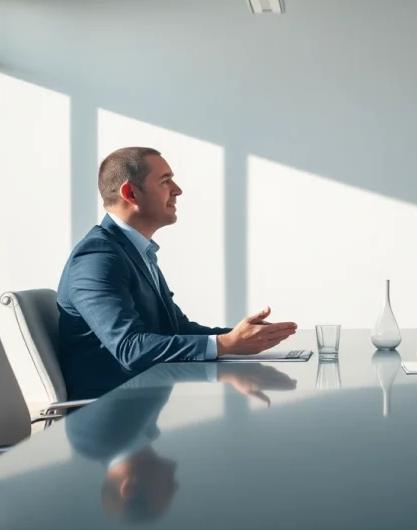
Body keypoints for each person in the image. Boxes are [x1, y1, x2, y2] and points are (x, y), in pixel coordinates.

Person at [57, 147, 298, 399]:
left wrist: (241, 338)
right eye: (165, 181)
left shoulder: (134, 251)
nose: (177, 190)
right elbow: (131, 348)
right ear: (130, 193)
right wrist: (226, 343)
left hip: (145, 404)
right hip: (111, 414)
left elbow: (176, 328)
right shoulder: (97, 257)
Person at [65, 362, 296, 523]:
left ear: (130, 487)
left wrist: (226, 373)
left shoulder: (93, 437)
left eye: (168, 491)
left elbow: (150, 369)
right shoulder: (134, 433)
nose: (176, 487)